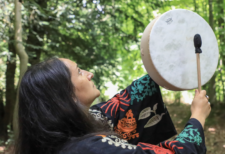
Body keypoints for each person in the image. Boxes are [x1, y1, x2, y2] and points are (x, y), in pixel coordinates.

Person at [14, 57, 211, 154]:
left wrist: (164, 66)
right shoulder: (91, 149)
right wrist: (197, 118)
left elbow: (119, 106)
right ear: (63, 95)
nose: (89, 73)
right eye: (79, 72)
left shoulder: (66, 134)